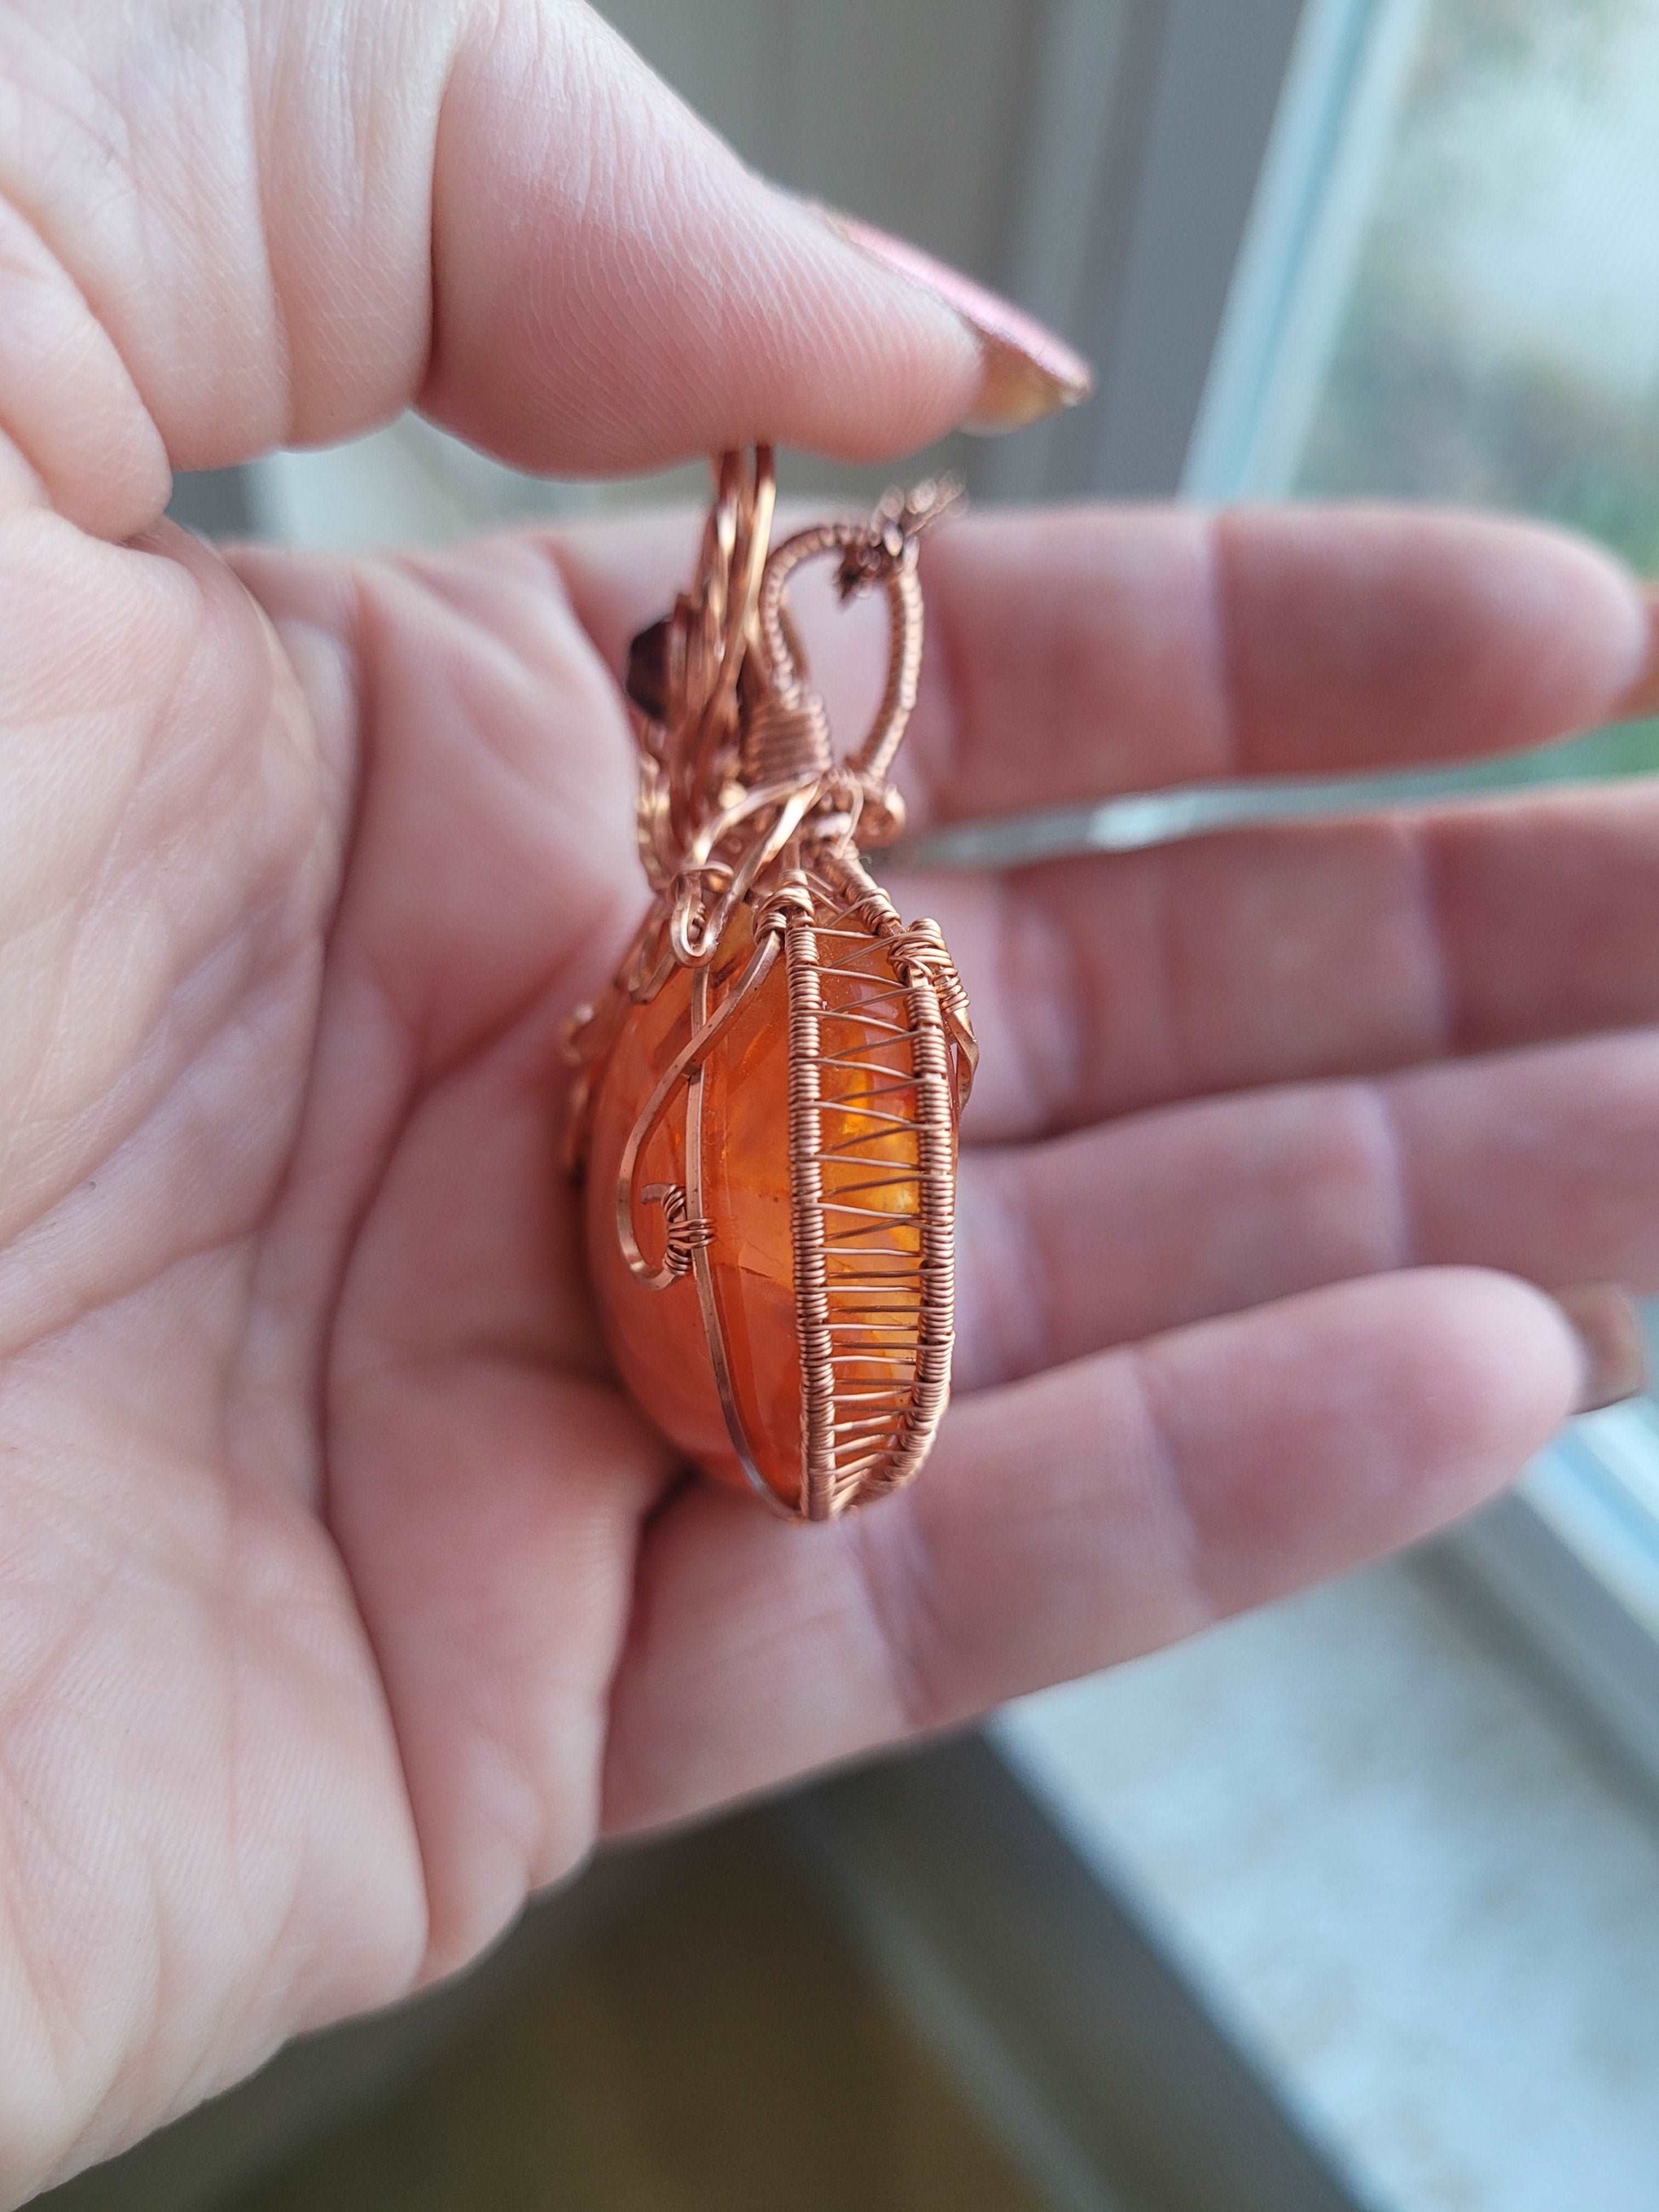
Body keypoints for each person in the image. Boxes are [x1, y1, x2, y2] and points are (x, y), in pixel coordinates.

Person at [0, 0, 1652, 2197]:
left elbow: (794, 856)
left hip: (779, 1201)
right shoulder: (758, 914)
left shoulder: (778, 907)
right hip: (749, 1199)